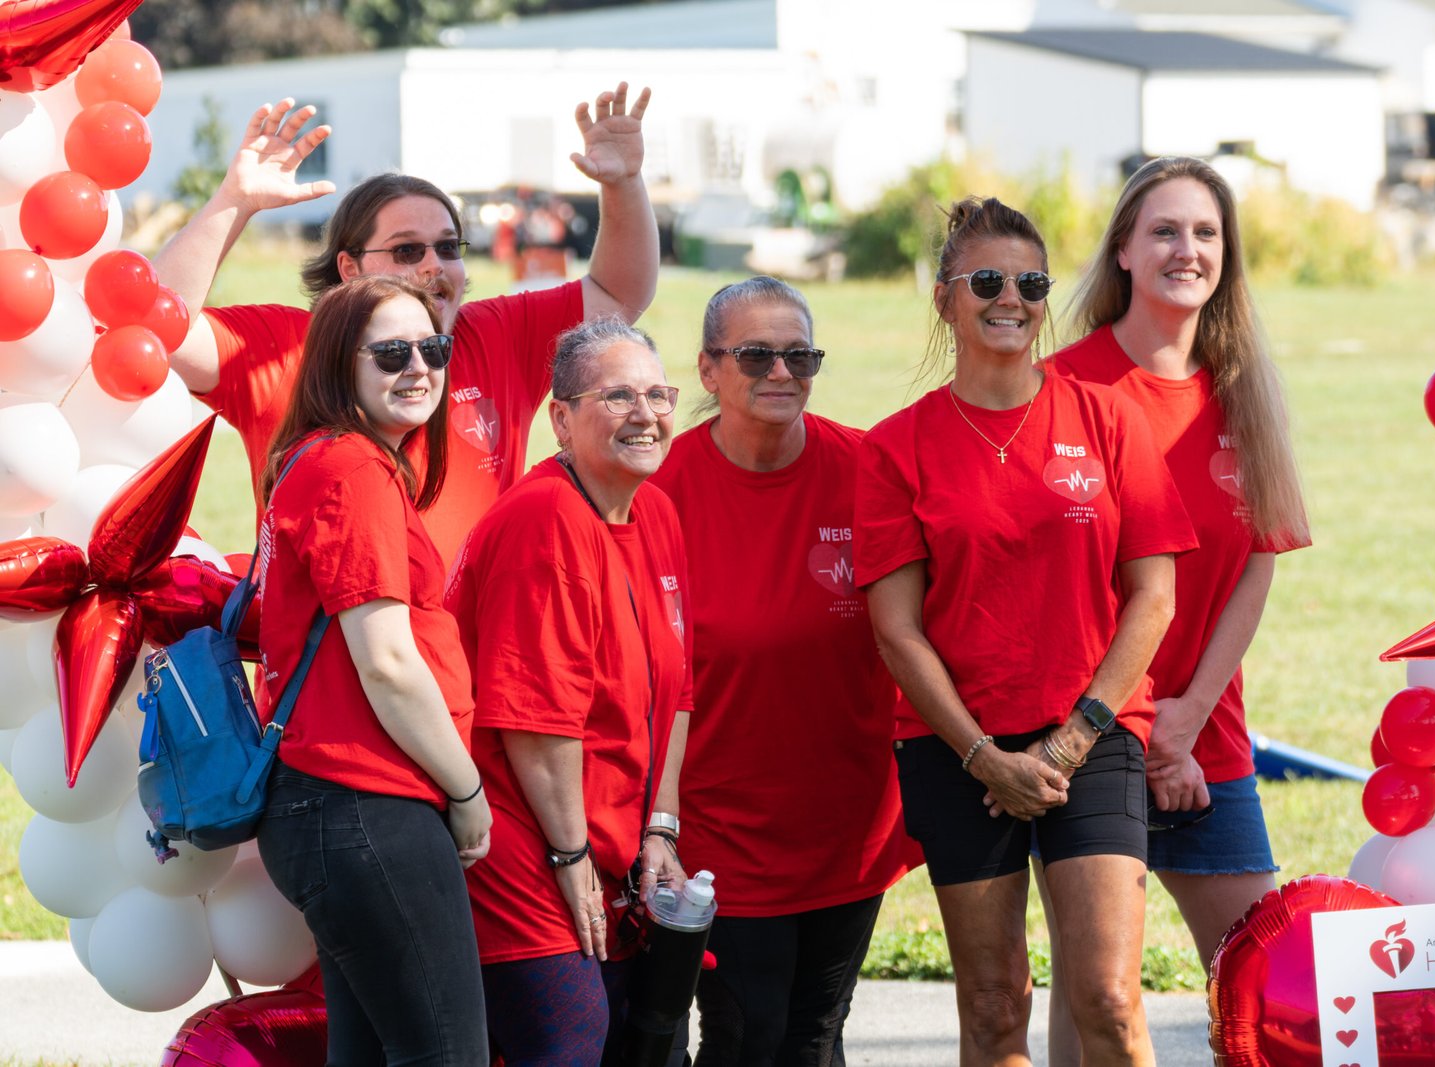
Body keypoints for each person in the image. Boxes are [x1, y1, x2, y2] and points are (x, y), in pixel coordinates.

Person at [855, 197, 1197, 1067]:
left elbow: (1152, 597)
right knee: (995, 1006)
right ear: (946, 299)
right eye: (987, 281)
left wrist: (1071, 740)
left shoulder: (1108, 419)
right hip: (957, 750)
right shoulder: (898, 447)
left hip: (1092, 733)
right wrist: (983, 755)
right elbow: (897, 631)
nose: (1011, 297)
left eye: (1031, 281)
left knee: (1111, 1001)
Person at [1038, 156, 1311, 1063]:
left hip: (1209, 736)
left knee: (1271, 989)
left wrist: (1189, 721)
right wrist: (1147, 727)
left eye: (1205, 233)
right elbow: (1057, 582)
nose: (1185, 249)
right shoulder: (1061, 388)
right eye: (1163, 230)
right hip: (1089, 735)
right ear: (1122, 248)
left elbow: (1254, 569)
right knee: (1096, 998)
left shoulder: (1244, 391)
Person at [154, 84, 660, 561]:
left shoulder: (495, 333)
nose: (433, 264)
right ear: (349, 268)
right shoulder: (288, 348)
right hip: (327, 652)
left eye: (446, 246)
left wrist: (623, 184)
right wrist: (233, 202)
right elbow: (158, 328)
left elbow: (619, 293)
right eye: (407, 250)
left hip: (468, 653)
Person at [650, 277, 915, 1065]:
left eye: (799, 356)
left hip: (845, 824)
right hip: (718, 828)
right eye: (756, 354)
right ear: (707, 370)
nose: (780, 373)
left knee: (814, 1035)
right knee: (744, 1036)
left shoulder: (867, 469)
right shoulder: (662, 489)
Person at [253, 274, 491, 1064]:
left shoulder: (334, 461)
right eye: (391, 352)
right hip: (363, 805)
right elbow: (388, 662)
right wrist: (466, 789)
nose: (419, 367)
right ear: (337, 364)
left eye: (433, 348)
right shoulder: (351, 470)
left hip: (342, 811)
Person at [446, 319, 693, 1064]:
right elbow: (533, 719)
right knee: (567, 1046)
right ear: (561, 416)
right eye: (618, 396)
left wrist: (661, 827)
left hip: (612, 840)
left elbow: (677, 687)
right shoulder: (545, 519)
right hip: (527, 843)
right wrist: (569, 855)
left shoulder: (655, 509)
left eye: (657, 393)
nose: (645, 413)